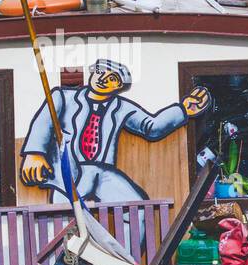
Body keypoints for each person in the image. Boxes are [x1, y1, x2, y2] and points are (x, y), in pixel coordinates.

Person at [21, 58, 210, 203]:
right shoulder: (62, 97)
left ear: (119, 86)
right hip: (69, 173)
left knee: (138, 209)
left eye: (111, 78)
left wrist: (183, 110)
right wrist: (34, 154)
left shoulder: (122, 107)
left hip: (102, 172)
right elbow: (43, 122)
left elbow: (151, 127)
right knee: (64, 221)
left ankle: (124, 256)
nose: (103, 79)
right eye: (100, 72)